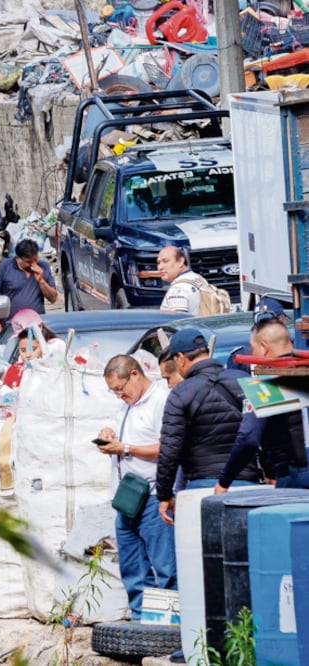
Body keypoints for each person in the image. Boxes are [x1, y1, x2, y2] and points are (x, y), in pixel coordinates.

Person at [96, 355, 177, 622]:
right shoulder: (127, 405)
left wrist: (126, 448)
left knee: (165, 566)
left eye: (120, 389)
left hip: (154, 498)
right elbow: (124, 434)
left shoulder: (160, 402)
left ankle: (170, 630)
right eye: (114, 392)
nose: (119, 395)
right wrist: (109, 433)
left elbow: (166, 448)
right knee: (133, 567)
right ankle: (141, 621)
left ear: (134, 375)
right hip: (127, 500)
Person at [155, 327, 260, 525]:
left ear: (180, 358)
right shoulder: (244, 381)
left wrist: (164, 495)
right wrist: (270, 473)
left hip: (201, 486)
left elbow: (169, 450)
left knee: (203, 553)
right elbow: (264, 430)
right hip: (248, 483)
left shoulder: (179, 394)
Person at [216, 318, 309, 492]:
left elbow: (248, 438)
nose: (252, 354)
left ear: (264, 348)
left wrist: (224, 481)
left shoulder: (267, 383)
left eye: (253, 348)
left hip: (295, 477)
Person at [0, 239, 58, 333]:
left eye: (35, 259)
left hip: (36, 325)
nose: (33, 264)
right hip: (10, 325)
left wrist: (41, 281)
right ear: (18, 258)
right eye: (28, 262)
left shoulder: (43, 267)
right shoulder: (6, 266)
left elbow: (53, 298)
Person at [158, 246, 205, 315]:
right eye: (158, 262)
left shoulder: (177, 290)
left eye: (165, 261)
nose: (160, 267)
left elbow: (178, 322)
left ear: (180, 261)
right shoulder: (199, 278)